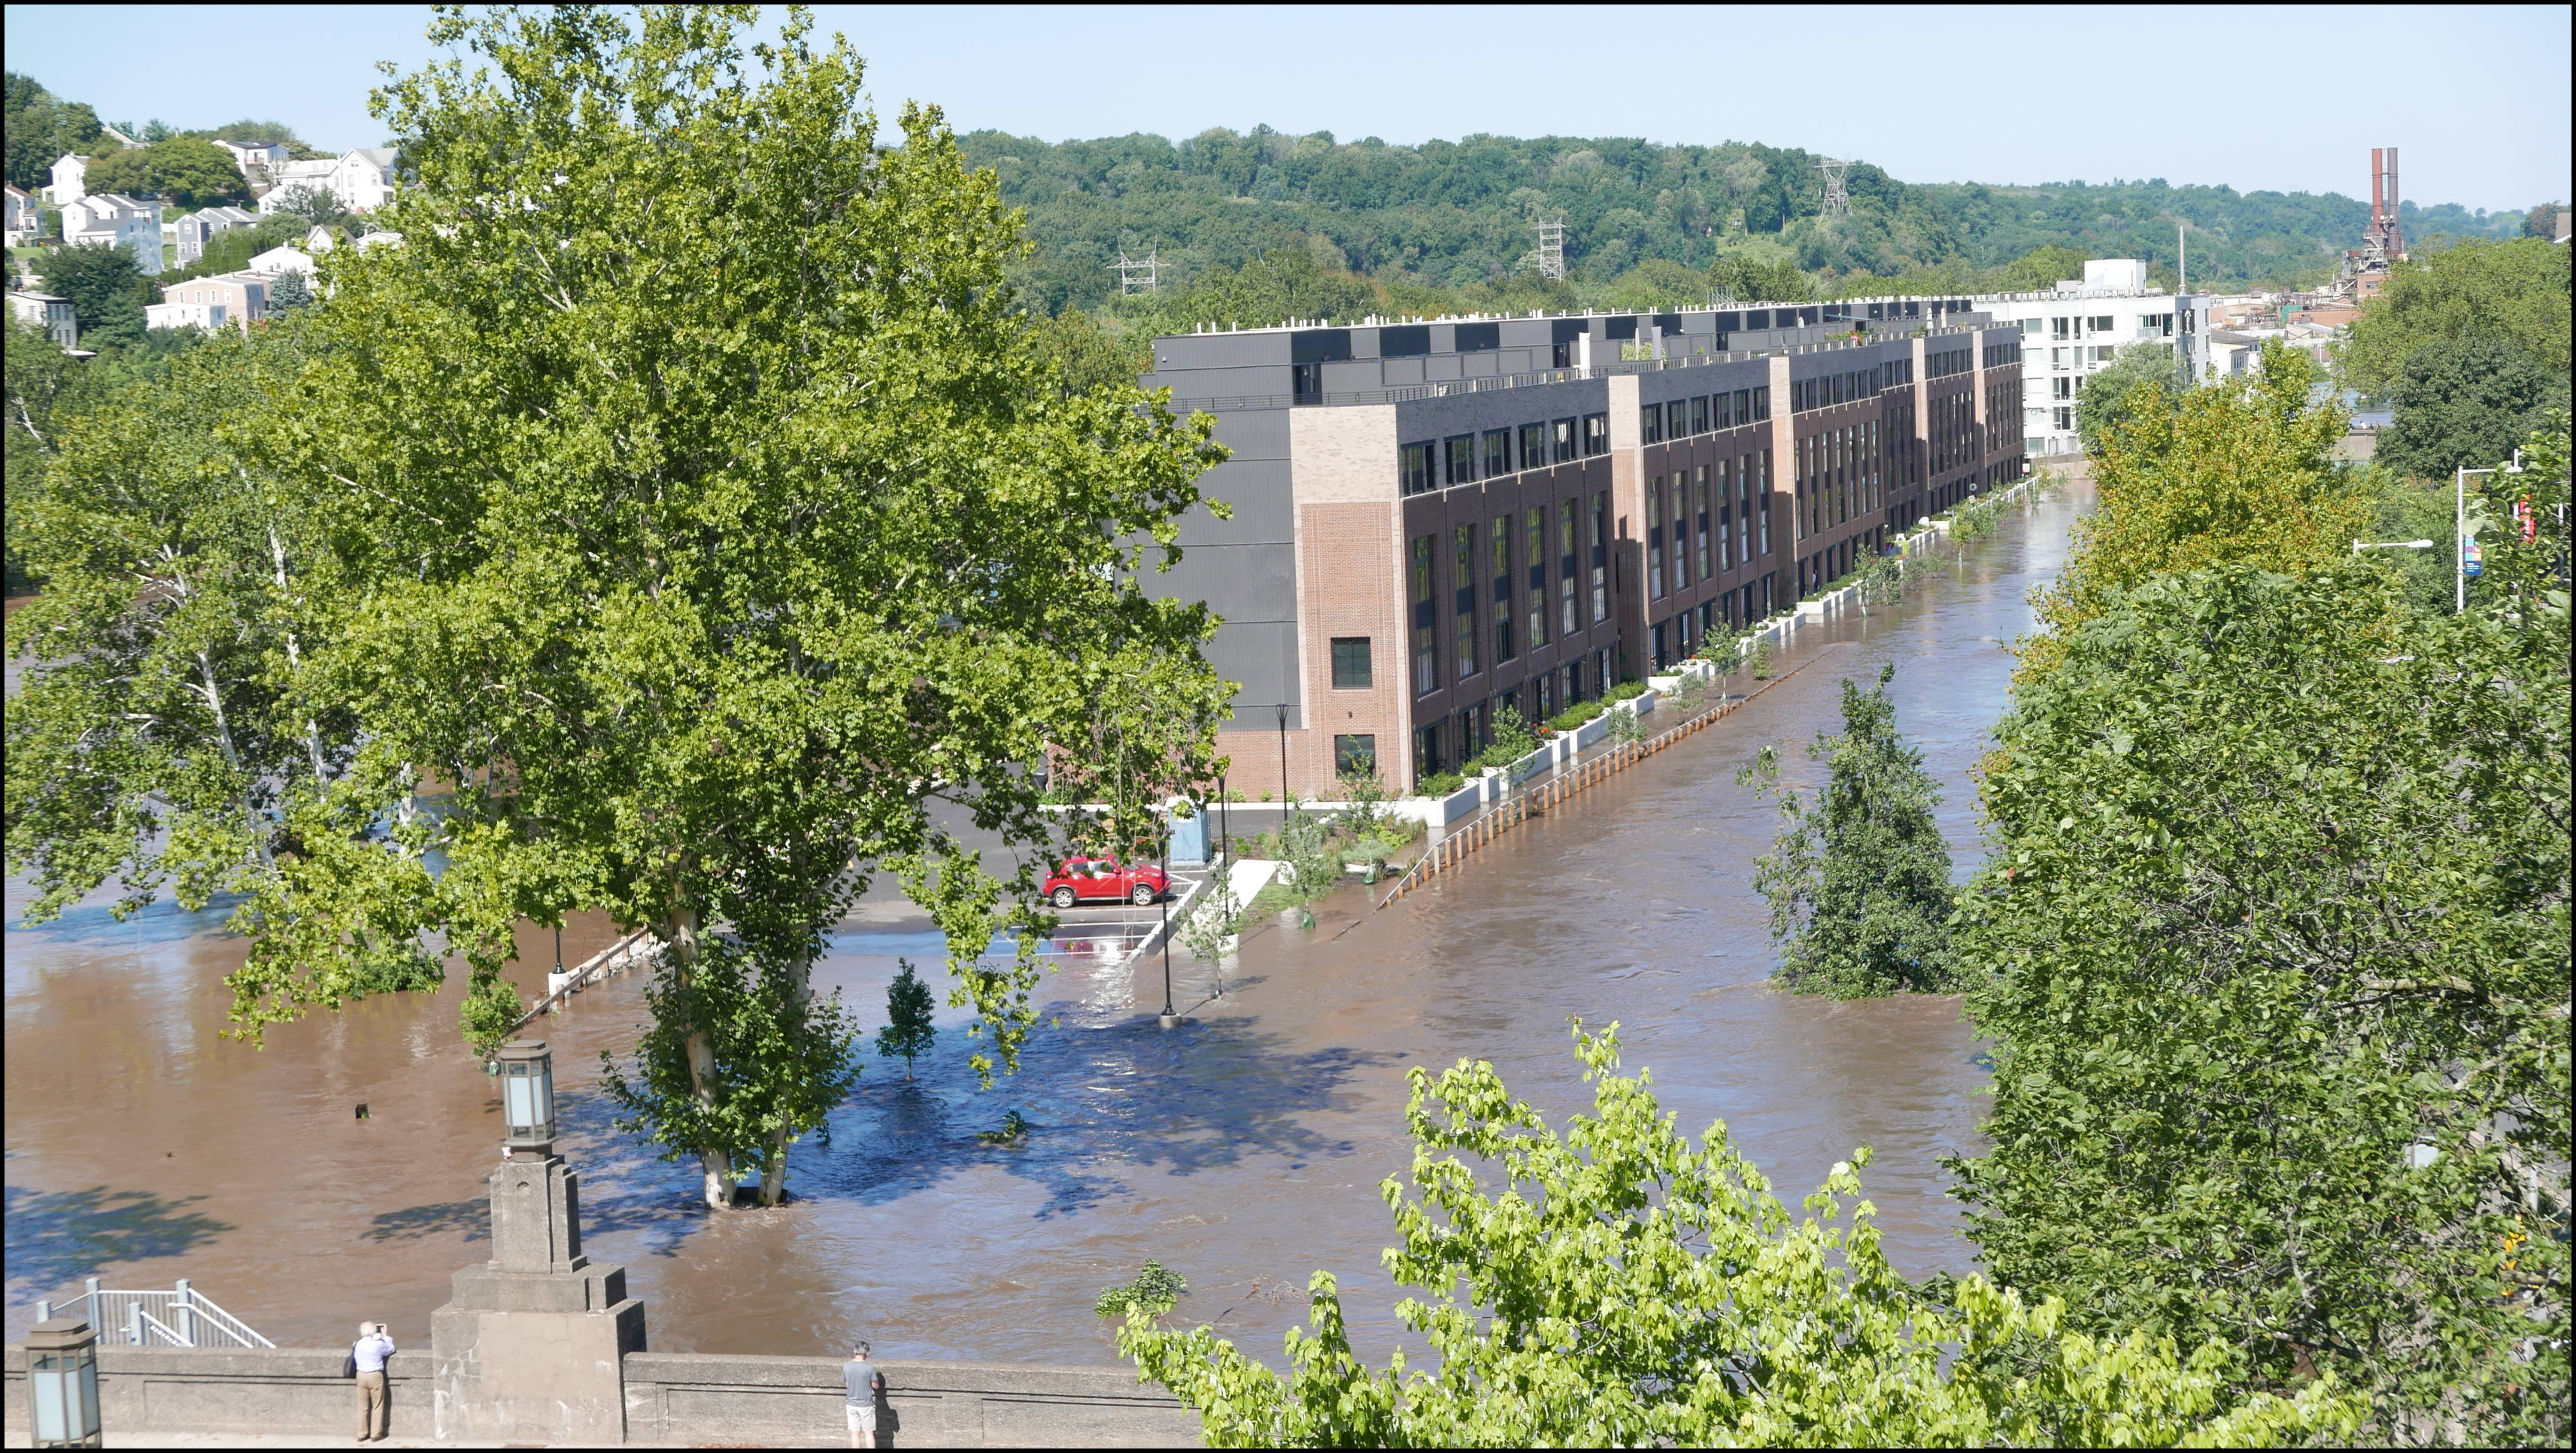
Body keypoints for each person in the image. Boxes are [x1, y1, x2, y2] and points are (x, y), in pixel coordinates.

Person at [353, 1321, 396, 1441]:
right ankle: (375, 1434)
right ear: (373, 1331)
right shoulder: (377, 1344)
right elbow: (391, 1349)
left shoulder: (357, 1344)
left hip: (360, 1375)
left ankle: (362, 1434)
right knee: (377, 1405)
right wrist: (385, 1336)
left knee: (362, 1406)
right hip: (374, 1375)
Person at [843, 1342, 886, 1448]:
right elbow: (875, 1386)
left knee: (855, 1434)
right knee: (869, 1433)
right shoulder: (869, 1367)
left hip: (851, 1404)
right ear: (868, 1353)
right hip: (865, 1404)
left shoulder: (846, 1366)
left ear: (854, 1351)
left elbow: (847, 1384)